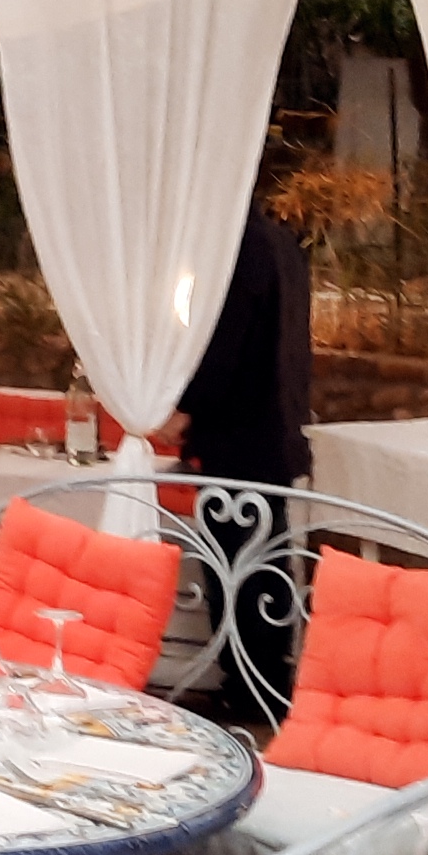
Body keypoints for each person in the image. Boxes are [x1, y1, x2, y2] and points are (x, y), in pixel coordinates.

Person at [172, 187, 314, 715]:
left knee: (235, 562)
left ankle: (249, 688)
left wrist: (186, 406)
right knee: (265, 557)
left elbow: (225, 346)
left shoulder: (239, 250)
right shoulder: (281, 244)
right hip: (275, 427)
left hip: (238, 433)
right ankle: (265, 681)